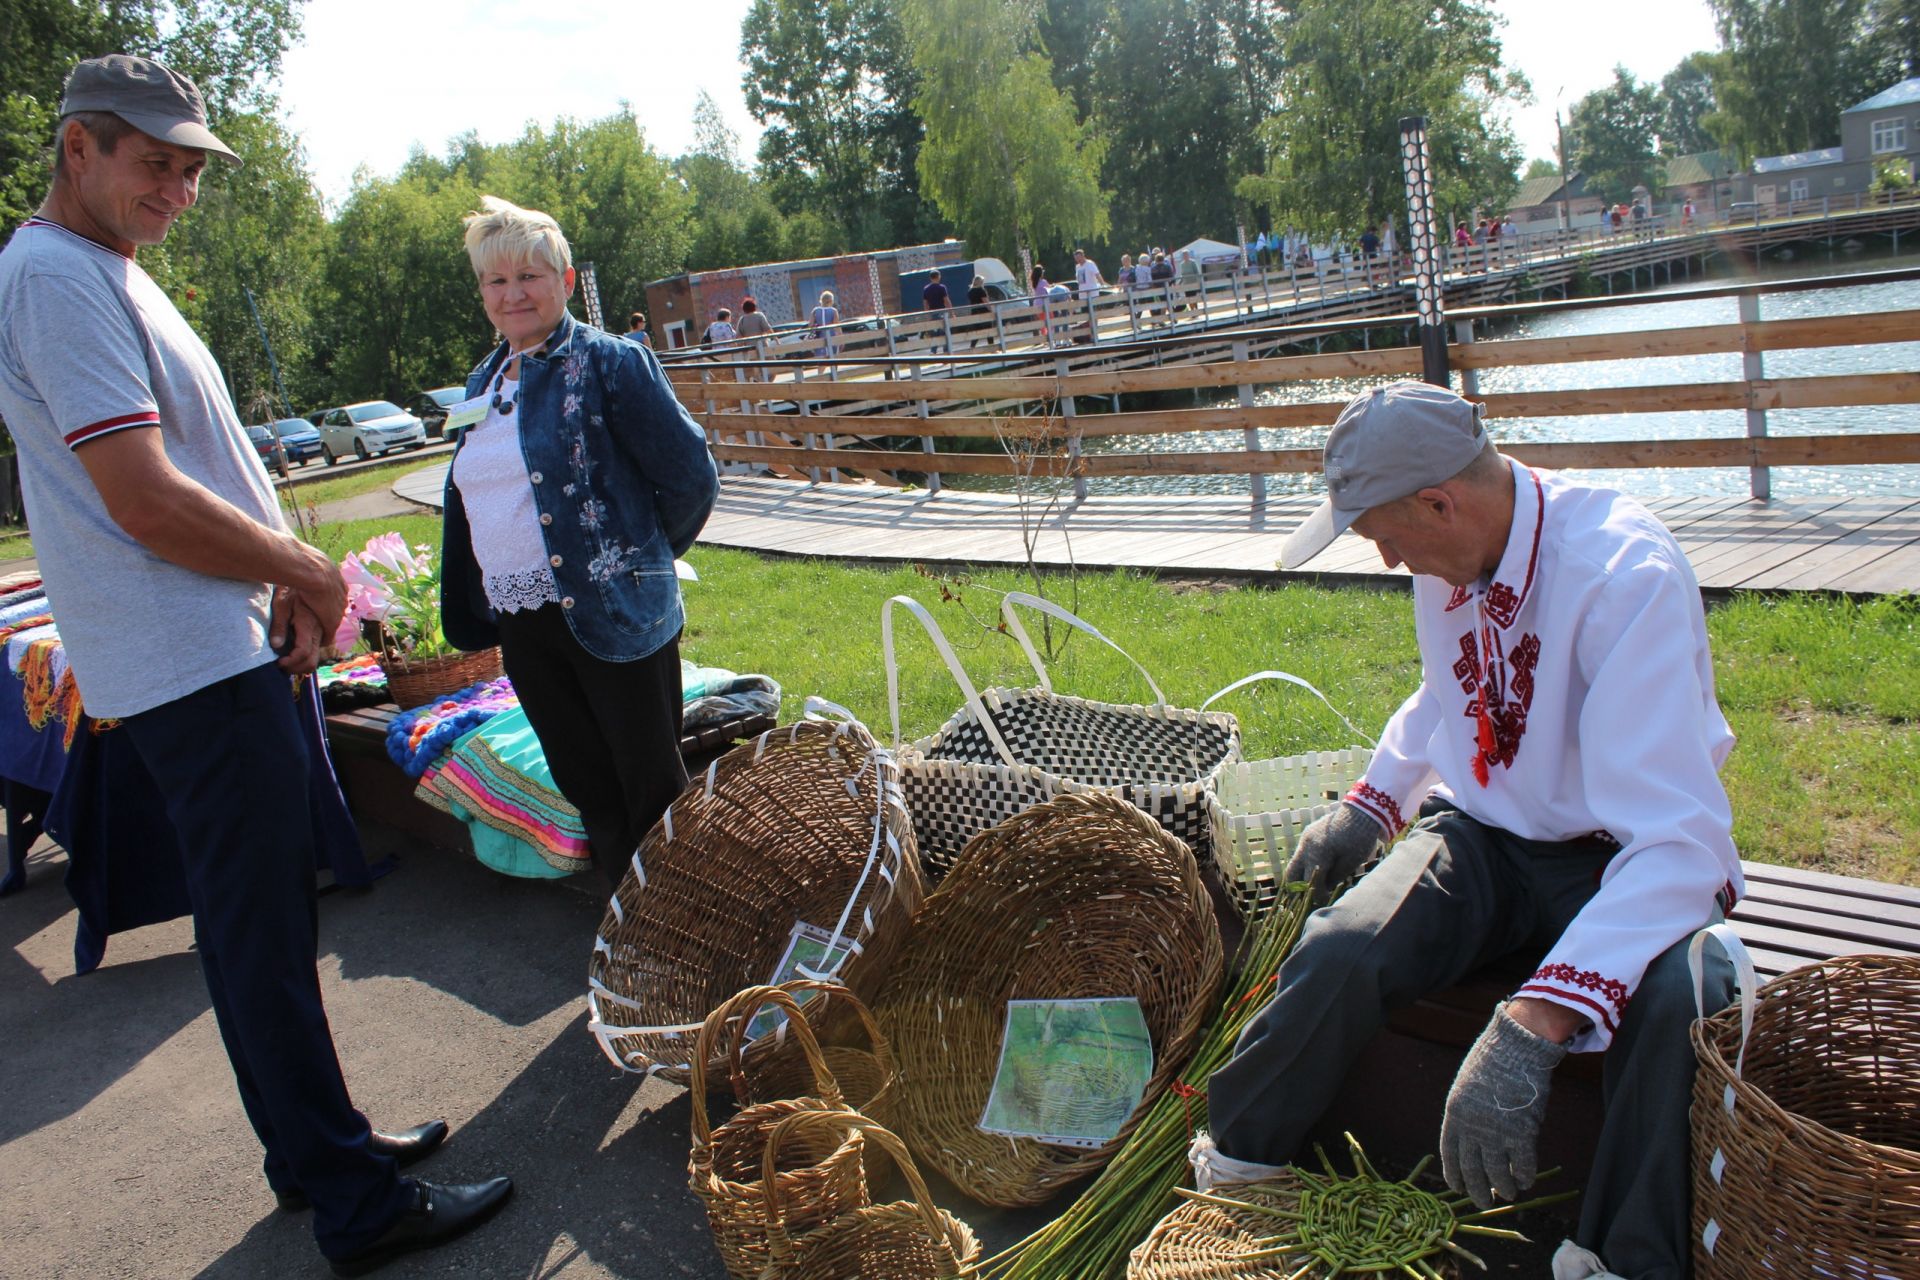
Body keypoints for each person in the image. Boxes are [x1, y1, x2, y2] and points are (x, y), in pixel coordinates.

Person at [0, 54, 513, 1276]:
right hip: (183, 659)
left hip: (199, 645)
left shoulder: (100, 268)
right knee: (260, 921)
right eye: (153, 161)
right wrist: (306, 570)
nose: (179, 187)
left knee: (258, 921)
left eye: (191, 168)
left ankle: (313, 1147)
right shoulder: (60, 279)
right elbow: (141, 495)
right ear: (78, 147)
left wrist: (275, 579)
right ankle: (354, 1198)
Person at [1200, 381, 1740, 1280]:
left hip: (1617, 863)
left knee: (1681, 1002)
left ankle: (1619, 1261)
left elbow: (1680, 842)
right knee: (1344, 945)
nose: (1384, 561)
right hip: (1485, 835)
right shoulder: (1457, 551)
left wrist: (1534, 1021)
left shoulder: (1623, 577)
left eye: (1381, 536)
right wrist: (1372, 800)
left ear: (1438, 501)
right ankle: (1236, 1174)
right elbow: (1448, 691)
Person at [440, 197, 719, 890]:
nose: (513, 294)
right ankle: (628, 928)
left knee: (650, 787)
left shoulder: (611, 364)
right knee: (586, 785)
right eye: (496, 282)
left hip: (614, 615)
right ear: (482, 293)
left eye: (529, 276)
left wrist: (637, 565)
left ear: (564, 281)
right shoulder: (484, 380)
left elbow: (690, 476)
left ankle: (682, 931)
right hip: (524, 620)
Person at [733, 296, 773, 381]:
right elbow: (768, 329)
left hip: (749, 348)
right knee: (773, 366)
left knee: (755, 370)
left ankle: (761, 383)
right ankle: (767, 382)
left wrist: (739, 348)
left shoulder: (742, 319)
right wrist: (776, 339)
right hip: (762, 346)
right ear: (754, 307)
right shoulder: (759, 316)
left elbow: (738, 336)